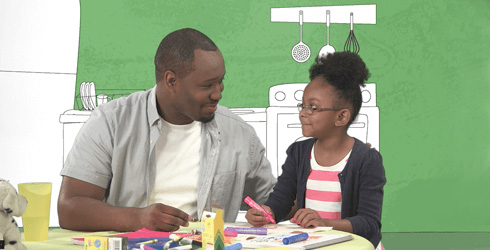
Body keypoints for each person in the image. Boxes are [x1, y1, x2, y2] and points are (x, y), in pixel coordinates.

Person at [58, 28, 276, 232]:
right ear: (171, 80)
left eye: (221, 82)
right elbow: (70, 208)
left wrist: (287, 204)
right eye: (207, 85)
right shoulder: (110, 122)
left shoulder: (240, 134)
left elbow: (274, 202)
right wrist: (138, 219)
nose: (218, 93)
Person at [245, 52, 386, 248]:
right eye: (302, 105)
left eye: (313, 107)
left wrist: (325, 224)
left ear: (341, 117)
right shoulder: (298, 153)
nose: (303, 113)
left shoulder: (367, 160)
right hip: (315, 245)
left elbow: (369, 223)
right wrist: (266, 212)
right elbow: (282, 199)